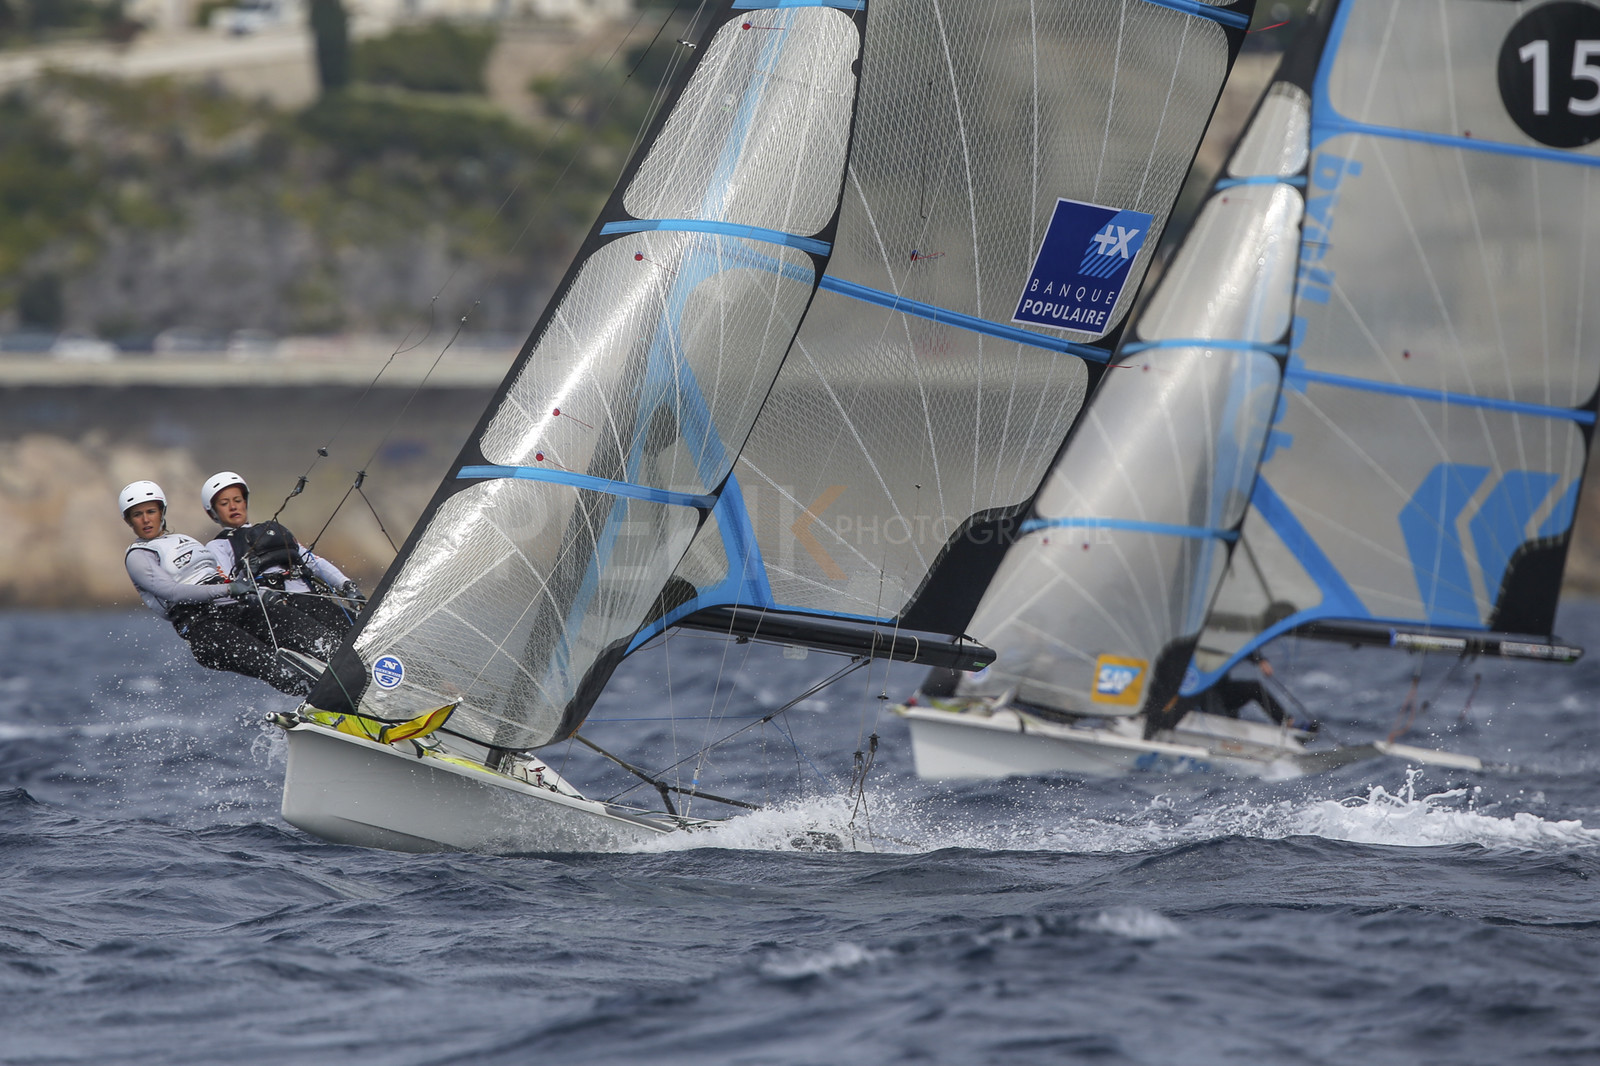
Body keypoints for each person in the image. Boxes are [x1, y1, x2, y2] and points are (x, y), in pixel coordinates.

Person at [120, 480, 336, 696]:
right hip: (205, 628)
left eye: (151, 511)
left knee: (312, 636)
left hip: (236, 609)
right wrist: (229, 590)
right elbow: (173, 592)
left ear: (162, 511)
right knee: (279, 669)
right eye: (137, 515)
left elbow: (225, 577)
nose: (146, 519)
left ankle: (348, 668)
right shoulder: (138, 555)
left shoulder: (184, 540)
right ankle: (325, 701)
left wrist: (254, 586)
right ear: (128, 520)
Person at [200, 470, 362, 634]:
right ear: (212, 512)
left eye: (237, 500)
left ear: (245, 502)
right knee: (323, 639)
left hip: (311, 600)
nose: (233, 507)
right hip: (276, 611)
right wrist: (261, 594)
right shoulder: (217, 546)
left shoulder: (275, 530)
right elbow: (228, 587)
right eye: (224, 503)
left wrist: (346, 585)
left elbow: (313, 562)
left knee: (360, 631)